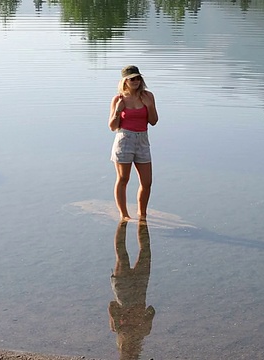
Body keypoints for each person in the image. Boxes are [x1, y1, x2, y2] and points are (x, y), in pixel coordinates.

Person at [109, 65, 159, 221]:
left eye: (138, 78)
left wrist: (149, 106)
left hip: (143, 140)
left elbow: (153, 121)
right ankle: (124, 215)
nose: (136, 81)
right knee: (123, 179)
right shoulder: (118, 99)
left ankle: (142, 214)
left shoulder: (148, 96)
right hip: (124, 139)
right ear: (125, 81)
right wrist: (118, 110)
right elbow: (112, 127)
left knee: (147, 182)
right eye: (132, 79)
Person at [108, 220, 155, 360]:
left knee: (141, 251)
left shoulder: (144, 330)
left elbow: (152, 310)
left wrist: (135, 318)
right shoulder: (117, 328)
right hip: (125, 291)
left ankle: (126, 222)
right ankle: (129, 222)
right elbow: (112, 305)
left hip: (138, 291)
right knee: (122, 254)